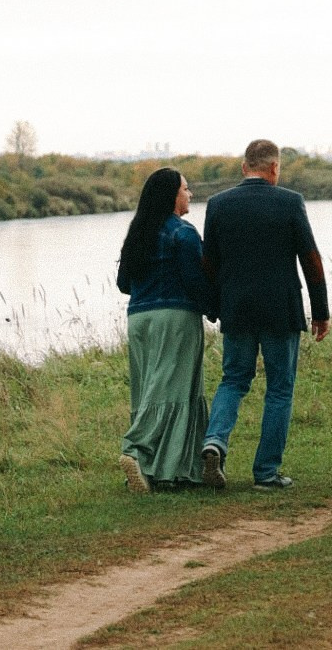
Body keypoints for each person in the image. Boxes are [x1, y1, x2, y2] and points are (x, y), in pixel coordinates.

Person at [200, 138, 330, 490]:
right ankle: (266, 473)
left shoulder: (218, 204)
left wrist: (213, 307)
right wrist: (320, 312)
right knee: (279, 390)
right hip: (280, 309)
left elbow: (209, 262)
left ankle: (214, 442)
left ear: (244, 168)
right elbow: (311, 261)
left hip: (237, 308)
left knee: (233, 379)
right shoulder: (290, 202)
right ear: (274, 168)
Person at [116, 167, 211, 493]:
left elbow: (123, 284)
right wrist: (215, 309)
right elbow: (196, 283)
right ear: (173, 196)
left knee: (150, 390)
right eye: (186, 189)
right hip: (175, 318)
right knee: (174, 390)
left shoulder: (138, 233)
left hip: (139, 319)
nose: (190, 194)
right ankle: (136, 450)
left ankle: (167, 472)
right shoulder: (183, 234)